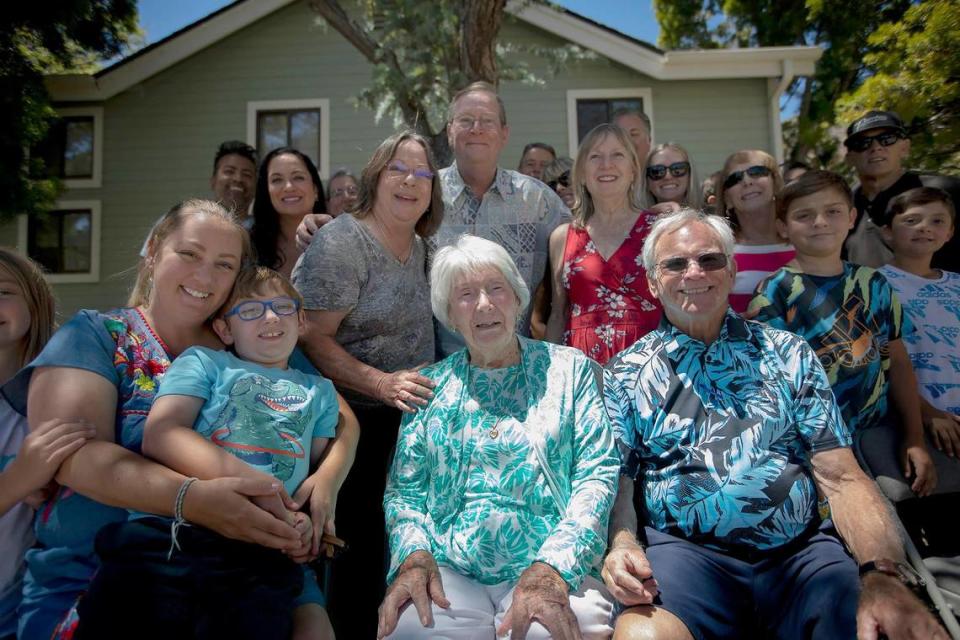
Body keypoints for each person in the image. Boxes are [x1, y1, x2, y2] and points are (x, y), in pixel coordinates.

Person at [8, 200, 357, 640]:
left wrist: (327, 481)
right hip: (100, 577)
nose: (204, 276)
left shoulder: (248, 340)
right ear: (153, 251)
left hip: (251, 568)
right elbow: (73, 456)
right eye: (189, 254)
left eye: (224, 264)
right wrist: (192, 499)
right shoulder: (96, 336)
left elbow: (341, 419)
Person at [602, 208, 948, 640]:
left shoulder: (788, 353)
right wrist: (622, 544)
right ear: (654, 282)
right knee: (640, 635)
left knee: (881, 620)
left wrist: (882, 575)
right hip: (687, 559)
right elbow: (621, 484)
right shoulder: (624, 373)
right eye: (675, 263)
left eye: (709, 259)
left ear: (731, 270)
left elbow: (841, 477)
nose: (694, 272)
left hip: (799, 556)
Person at [73, 266, 355, 639]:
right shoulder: (206, 362)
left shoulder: (319, 391)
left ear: (301, 320)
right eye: (250, 310)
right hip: (176, 532)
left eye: (283, 308)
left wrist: (298, 522)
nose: (270, 317)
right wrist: (261, 488)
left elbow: (303, 478)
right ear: (224, 329)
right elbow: (162, 434)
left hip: (258, 552)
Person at [377, 235, 618, 640]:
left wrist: (552, 569)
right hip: (450, 568)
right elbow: (404, 493)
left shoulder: (568, 370)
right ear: (450, 314)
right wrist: (414, 558)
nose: (485, 304)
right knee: (414, 629)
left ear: (518, 299)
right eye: (466, 295)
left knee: (545, 632)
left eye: (496, 289)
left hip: (552, 562)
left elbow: (598, 474)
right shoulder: (429, 387)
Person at [293, 131, 443, 638]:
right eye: (399, 169)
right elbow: (311, 336)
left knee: (406, 549)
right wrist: (379, 383)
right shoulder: (342, 241)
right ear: (375, 178)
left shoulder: (425, 248)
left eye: (423, 174)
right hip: (349, 419)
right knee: (356, 556)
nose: (410, 181)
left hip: (411, 416)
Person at [295, 82, 570, 357]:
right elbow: (373, 225)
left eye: (487, 120)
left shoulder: (538, 201)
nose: (476, 128)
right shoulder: (422, 191)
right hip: (437, 372)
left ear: (504, 133)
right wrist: (326, 226)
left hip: (514, 363)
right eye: (465, 120)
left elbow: (584, 242)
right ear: (450, 130)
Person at [748, 171, 936, 495]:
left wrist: (915, 438)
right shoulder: (775, 291)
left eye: (832, 211)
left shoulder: (875, 284)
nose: (820, 222)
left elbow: (900, 364)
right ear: (783, 227)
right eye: (804, 215)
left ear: (851, 218)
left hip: (878, 436)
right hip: (811, 447)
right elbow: (771, 384)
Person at [0, 250, 93, 640]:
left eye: (4, 291)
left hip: (23, 601)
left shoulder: (62, 390)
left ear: (35, 303)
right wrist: (18, 481)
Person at [545, 124, 661, 364]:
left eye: (617, 155)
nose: (606, 164)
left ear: (633, 171)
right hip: (581, 368)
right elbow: (558, 314)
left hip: (650, 365)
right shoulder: (562, 237)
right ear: (582, 175)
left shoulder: (660, 230)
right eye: (595, 157)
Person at [879, 188, 960, 453]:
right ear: (887, 232)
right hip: (912, 423)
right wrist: (926, 411)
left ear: (949, 233)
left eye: (937, 221)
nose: (925, 227)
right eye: (912, 220)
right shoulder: (873, 284)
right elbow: (879, 363)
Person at [844, 110, 960, 271]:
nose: (876, 147)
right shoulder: (843, 207)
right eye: (862, 143)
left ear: (905, 147)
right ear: (849, 157)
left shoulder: (945, 191)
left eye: (887, 139)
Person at [715, 149, 795, 312]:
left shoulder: (803, 240)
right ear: (727, 198)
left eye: (757, 172)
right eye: (734, 179)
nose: (747, 182)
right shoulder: (720, 253)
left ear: (776, 183)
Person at [252, 147, 327, 281]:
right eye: (276, 180)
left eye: (298, 177)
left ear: (315, 189)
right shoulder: (249, 249)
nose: (288, 187)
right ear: (267, 193)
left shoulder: (339, 236)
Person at [640, 142, 703, 213]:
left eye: (678, 169)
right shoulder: (634, 222)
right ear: (647, 181)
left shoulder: (709, 220)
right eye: (657, 171)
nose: (668, 176)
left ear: (690, 176)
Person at [210, 140, 258, 222]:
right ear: (213, 181)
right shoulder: (192, 226)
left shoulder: (268, 232)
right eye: (229, 171)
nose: (238, 179)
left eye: (247, 174)